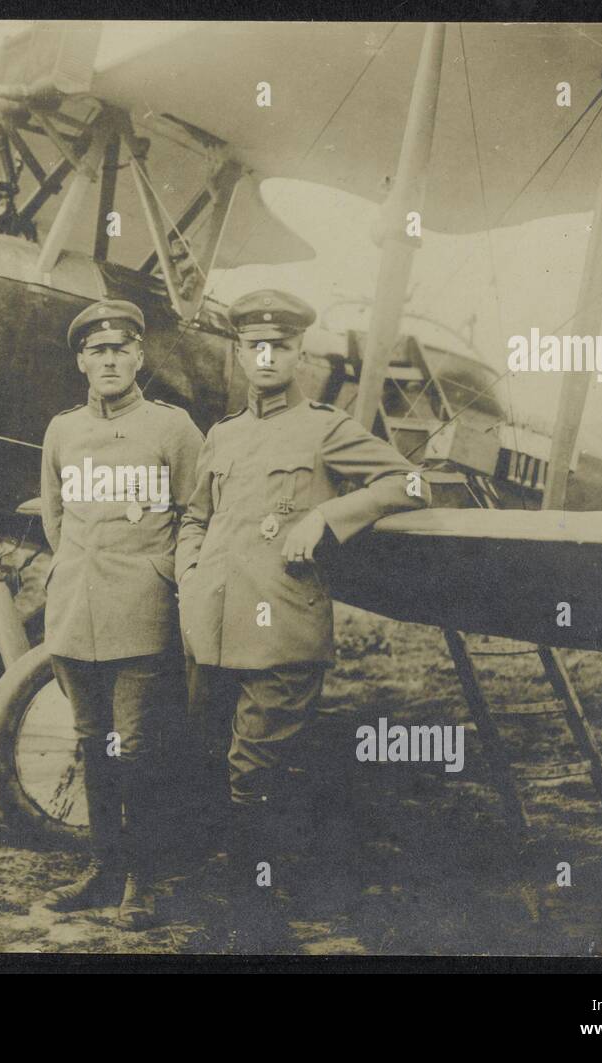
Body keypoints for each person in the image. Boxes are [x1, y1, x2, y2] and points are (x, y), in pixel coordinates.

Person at [175, 289, 430, 949]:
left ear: (297, 353)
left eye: (280, 346)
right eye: (254, 344)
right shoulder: (222, 434)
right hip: (212, 628)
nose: (266, 356)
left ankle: (257, 922)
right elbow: (196, 516)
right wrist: (189, 575)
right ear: (239, 349)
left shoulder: (324, 426)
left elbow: (410, 482)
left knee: (253, 772)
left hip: (283, 630)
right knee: (211, 763)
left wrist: (325, 516)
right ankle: (233, 904)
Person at [39, 299, 204, 930]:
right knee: (92, 744)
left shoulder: (173, 428)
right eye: (96, 351)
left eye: (120, 350)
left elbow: (196, 511)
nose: (108, 361)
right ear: (81, 361)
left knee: (136, 749)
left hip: (142, 611)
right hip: (75, 613)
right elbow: (57, 516)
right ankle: (105, 870)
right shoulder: (62, 430)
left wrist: (164, 575)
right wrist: (72, 573)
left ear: (139, 356)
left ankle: (144, 880)